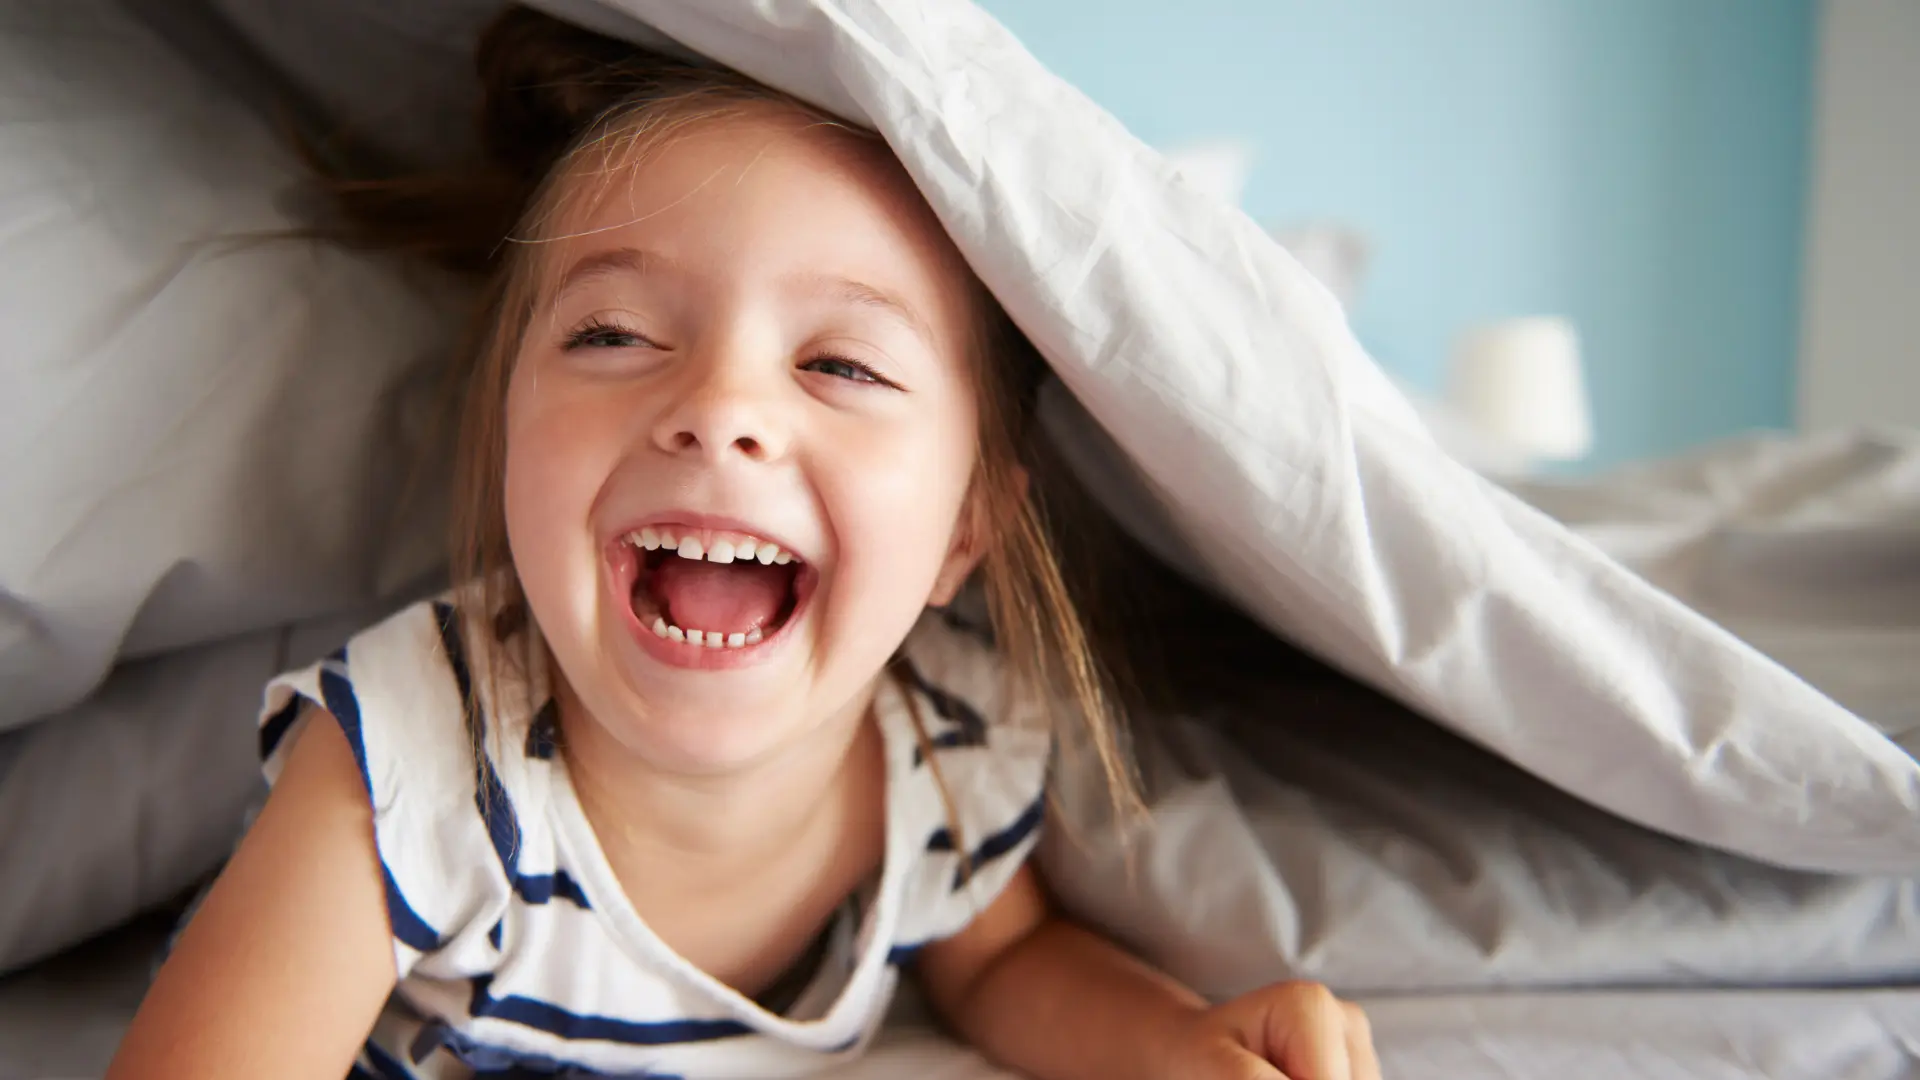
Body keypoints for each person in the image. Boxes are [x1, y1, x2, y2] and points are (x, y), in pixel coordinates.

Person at [107, 8, 1379, 1079]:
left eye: (839, 362)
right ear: (506, 434)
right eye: (612, 335)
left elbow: (1004, 961)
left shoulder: (949, 745)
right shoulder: (412, 767)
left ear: (965, 532)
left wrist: (1177, 1045)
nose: (717, 410)